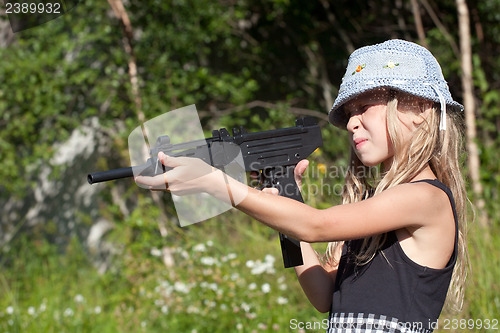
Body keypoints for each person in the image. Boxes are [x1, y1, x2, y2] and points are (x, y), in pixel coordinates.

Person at [136, 39, 468, 332]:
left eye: (365, 107)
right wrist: (284, 211)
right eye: (350, 112)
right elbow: (323, 295)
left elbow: (316, 224)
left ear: (421, 109)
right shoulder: (376, 205)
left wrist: (213, 182)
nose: (352, 122)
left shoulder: (426, 197)